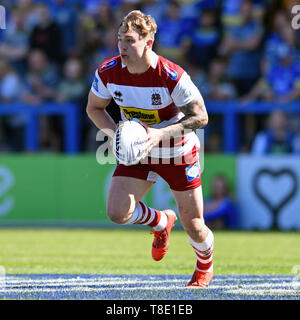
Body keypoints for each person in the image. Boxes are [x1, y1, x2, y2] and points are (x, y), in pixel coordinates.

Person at [86, 10, 214, 288]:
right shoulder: (108, 72)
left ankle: (204, 267)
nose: (122, 45)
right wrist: (117, 136)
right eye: (120, 38)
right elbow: (94, 108)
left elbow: (201, 117)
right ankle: (160, 221)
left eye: (130, 40)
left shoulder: (171, 75)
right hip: (138, 150)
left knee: (194, 224)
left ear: (148, 42)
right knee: (117, 213)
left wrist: (159, 135)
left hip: (177, 150)